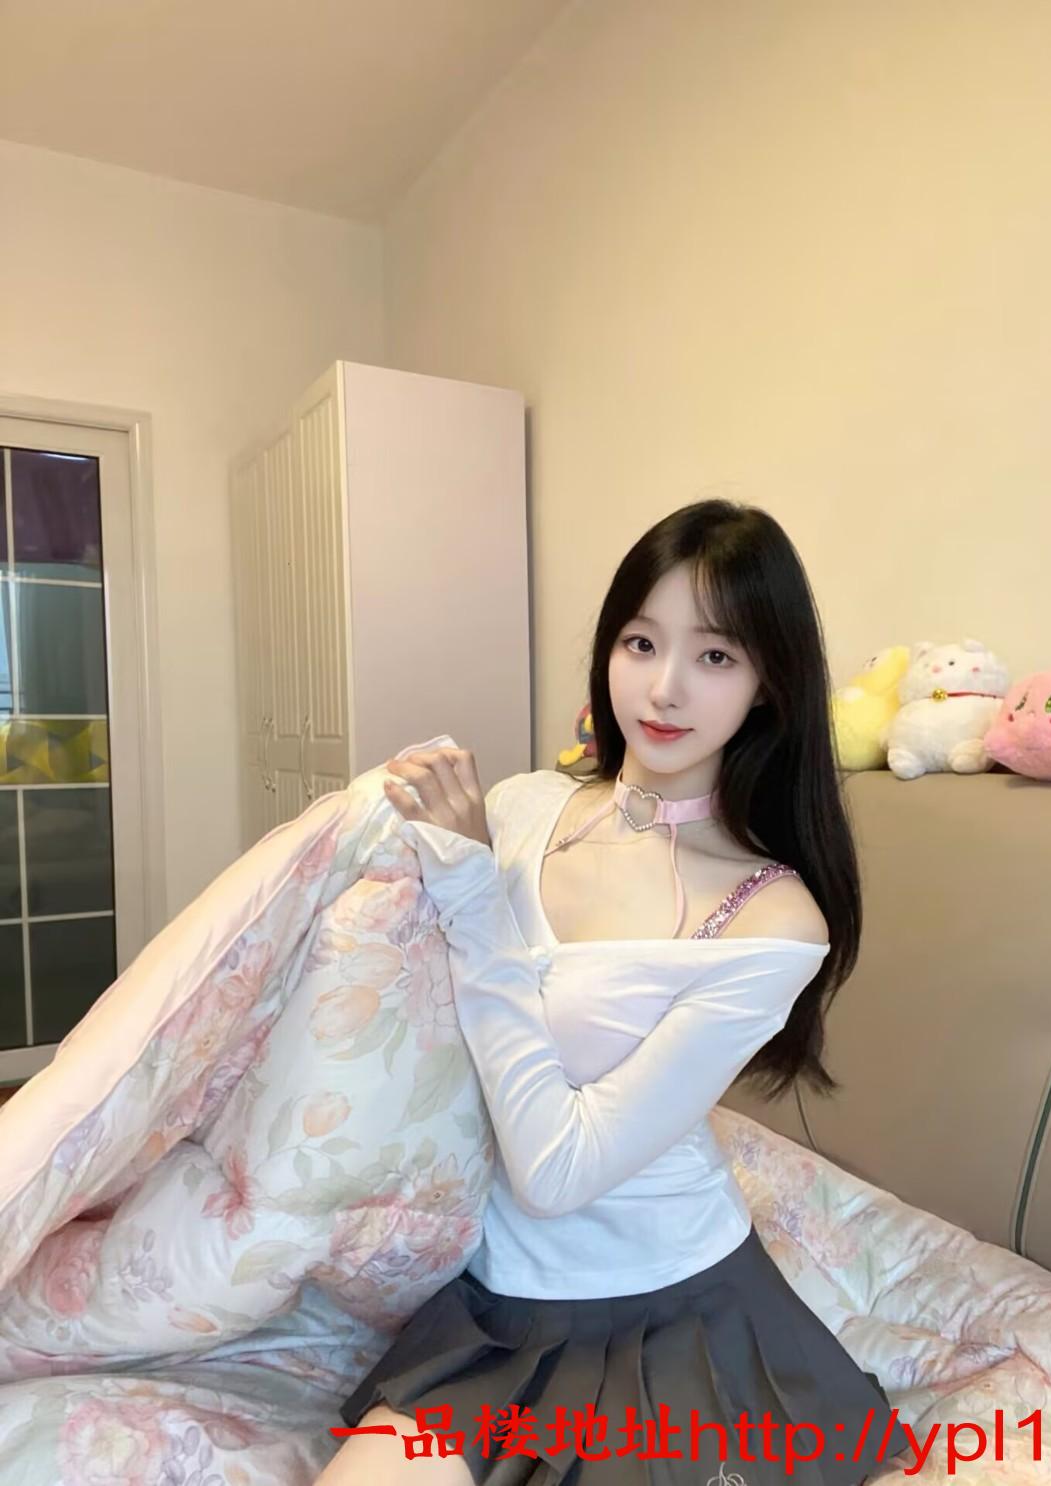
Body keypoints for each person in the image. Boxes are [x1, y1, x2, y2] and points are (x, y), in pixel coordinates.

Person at [315, 500, 900, 1486]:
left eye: (715, 656)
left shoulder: (772, 918)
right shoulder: (521, 808)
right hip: (492, 1295)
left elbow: (558, 1172)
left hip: (668, 1308)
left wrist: (474, 899)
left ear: (767, 683)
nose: (664, 688)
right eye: (641, 642)